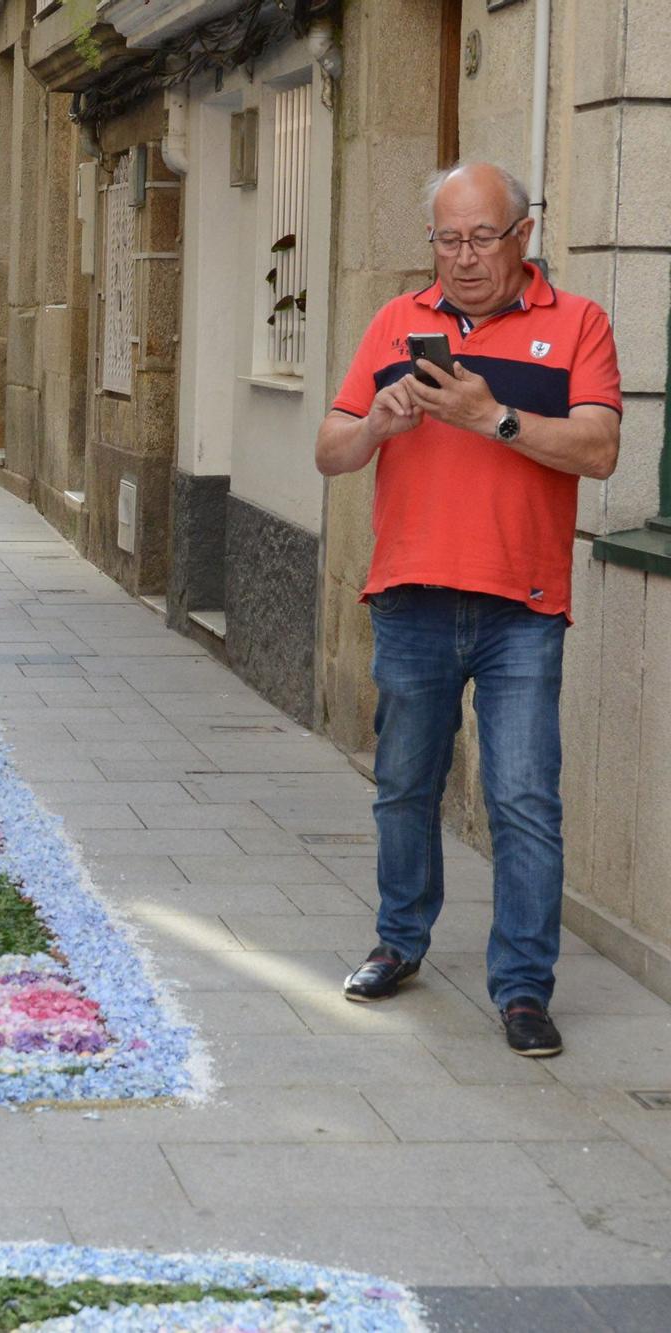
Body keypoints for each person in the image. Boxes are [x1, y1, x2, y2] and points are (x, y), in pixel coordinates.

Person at [316, 161, 621, 1058]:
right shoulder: (395, 322)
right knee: (404, 788)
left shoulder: (578, 324)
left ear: (523, 236)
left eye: (481, 237)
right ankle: (399, 941)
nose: (463, 258)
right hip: (410, 597)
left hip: (522, 607)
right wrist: (376, 424)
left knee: (524, 799)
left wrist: (495, 419)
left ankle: (523, 987)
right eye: (447, 239)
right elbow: (331, 450)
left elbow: (600, 449)